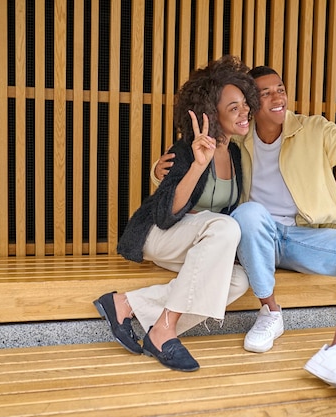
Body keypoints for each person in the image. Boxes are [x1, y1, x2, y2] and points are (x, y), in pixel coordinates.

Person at [153, 66, 336, 399]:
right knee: (250, 213)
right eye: (266, 93)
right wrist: (159, 175)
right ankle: (271, 312)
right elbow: (197, 173)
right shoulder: (237, 136)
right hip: (256, 237)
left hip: (304, 236)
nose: (277, 97)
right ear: (251, 103)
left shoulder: (313, 130)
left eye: (280, 89)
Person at [94, 55, 260, 372]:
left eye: (244, 104)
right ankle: (164, 330)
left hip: (198, 243)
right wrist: (199, 165)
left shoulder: (237, 154)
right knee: (225, 228)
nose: (244, 113)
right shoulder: (186, 150)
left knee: (237, 282)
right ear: (211, 113)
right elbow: (165, 214)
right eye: (233, 107)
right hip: (162, 235)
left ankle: (125, 304)